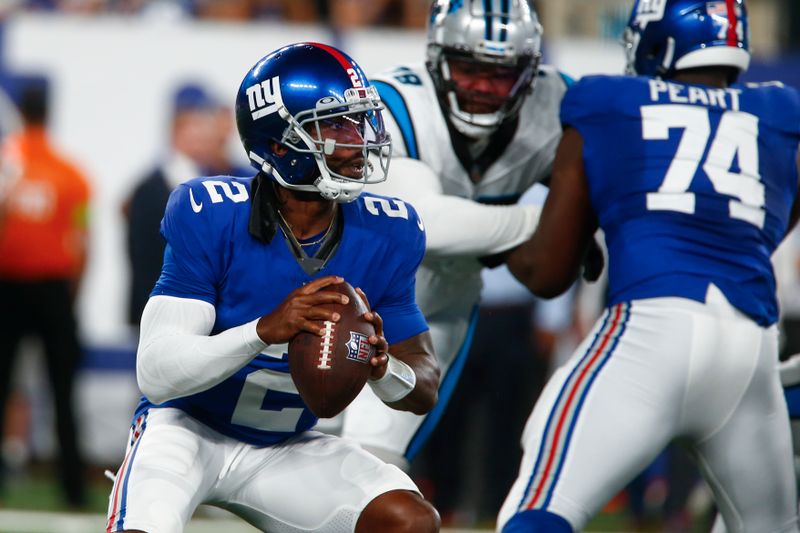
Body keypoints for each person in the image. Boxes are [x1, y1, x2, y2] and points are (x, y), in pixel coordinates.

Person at [105, 42, 441, 533]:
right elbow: (157, 375)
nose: (359, 142)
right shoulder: (212, 212)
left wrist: (381, 367)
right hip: (187, 429)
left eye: (360, 122)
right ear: (280, 143)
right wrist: (262, 331)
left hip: (287, 446)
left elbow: (424, 383)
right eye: (337, 126)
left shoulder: (391, 231)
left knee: (409, 522)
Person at [497, 1, 800, 531]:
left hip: (649, 333)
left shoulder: (607, 101)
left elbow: (548, 273)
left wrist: (494, 239)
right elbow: (775, 223)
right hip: (748, 351)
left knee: (537, 511)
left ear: (659, 41)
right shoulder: (779, 114)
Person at [342, 0, 592, 471]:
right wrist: (551, 225)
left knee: (370, 470)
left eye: (501, 73)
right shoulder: (394, 102)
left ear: (529, 73)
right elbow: (426, 224)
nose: (483, 87)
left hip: (434, 317)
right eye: (468, 68)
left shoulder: (557, 105)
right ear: (437, 59)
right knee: (297, 455)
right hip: (346, 308)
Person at [0, 80, 90, 507]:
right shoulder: (71, 173)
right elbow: (82, 240)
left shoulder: (7, 163)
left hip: (8, 288)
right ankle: (72, 486)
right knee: (63, 392)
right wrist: (71, 295)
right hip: (54, 290)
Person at [124, 82, 251, 328]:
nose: (203, 137)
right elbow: (146, 260)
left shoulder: (220, 178)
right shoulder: (154, 188)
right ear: (176, 133)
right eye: (195, 128)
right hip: (168, 308)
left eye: (206, 127)